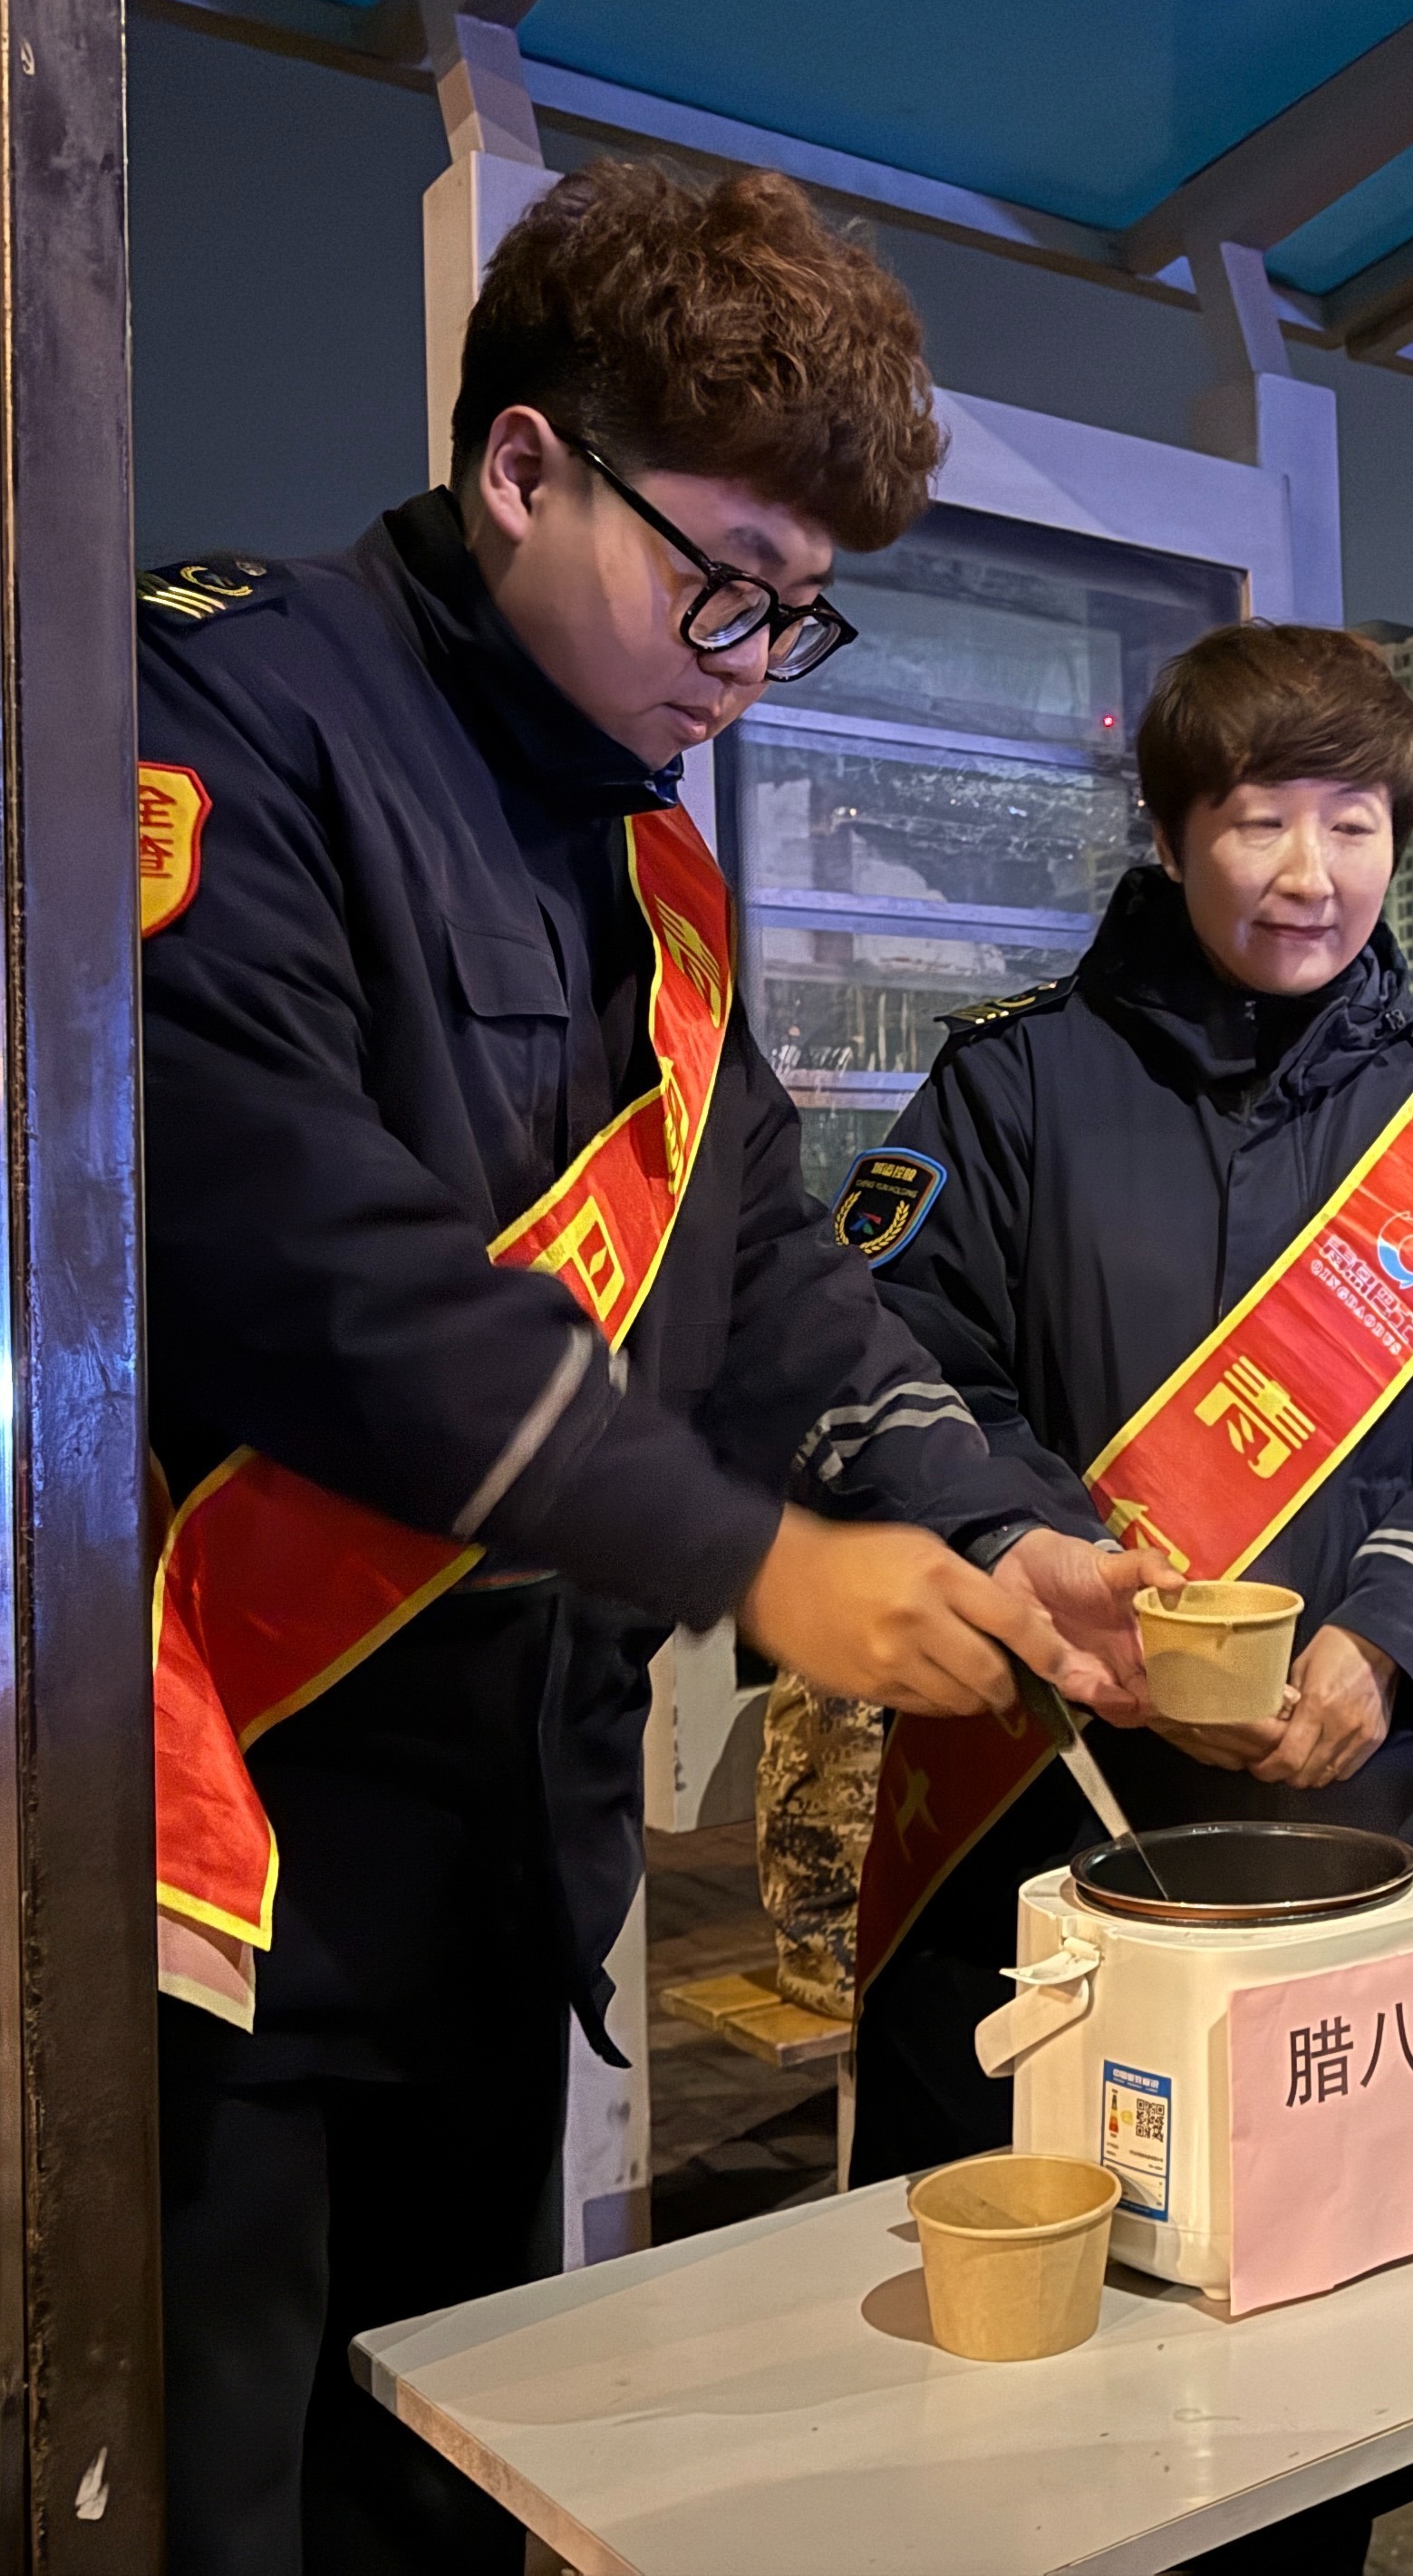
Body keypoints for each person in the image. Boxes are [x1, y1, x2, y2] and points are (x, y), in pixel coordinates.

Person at [136, 159, 1147, 2576]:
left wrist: (986, 1517)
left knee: (458, 2483)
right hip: (236, 1868)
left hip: (515, 1859)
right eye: (727, 582)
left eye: (800, 615)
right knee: (214, 2511)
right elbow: (310, 1262)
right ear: (523, 466)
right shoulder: (234, 708)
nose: (750, 663)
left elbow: (767, 1269)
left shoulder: (651, 863)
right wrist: (752, 1560)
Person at [842, 620, 1413, 2186]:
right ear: (1173, 831)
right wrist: (1034, 1547)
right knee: (1010, 2235)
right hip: (1034, 1790)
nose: (1310, 873)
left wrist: (1389, 1641)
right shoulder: (1012, 1085)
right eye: (1260, 820)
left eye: (1354, 824)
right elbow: (895, 1355)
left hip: (1343, 1804)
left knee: (1333, 2229)